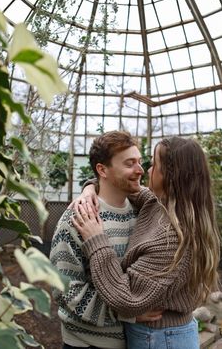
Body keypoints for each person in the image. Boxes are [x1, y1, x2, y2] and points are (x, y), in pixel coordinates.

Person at [72, 136, 221, 349]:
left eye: (153, 164)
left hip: (161, 338)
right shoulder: (160, 204)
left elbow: (127, 298)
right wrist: (89, 188)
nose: (145, 170)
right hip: (161, 335)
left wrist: (96, 240)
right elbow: (118, 183)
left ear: (170, 175)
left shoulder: (171, 237)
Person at [49, 130, 162, 349]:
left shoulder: (142, 212)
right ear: (102, 169)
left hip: (135, 341)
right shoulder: (78, 217)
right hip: (86, 343)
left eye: (139, 162)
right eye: (129, 163)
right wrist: (128, 313)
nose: (140, 170)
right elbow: (65, 289)